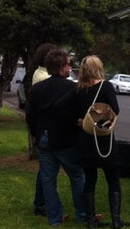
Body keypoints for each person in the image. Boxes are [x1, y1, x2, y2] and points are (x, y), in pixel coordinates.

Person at [25, 47, 86, 226]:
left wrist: (36, 133)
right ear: (61, 67)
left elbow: (30, 115)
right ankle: (82, 214)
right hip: (65, 139)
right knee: (76, 174)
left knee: (48, 178)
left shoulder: (37, 89)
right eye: (69, 64)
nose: (70, 68)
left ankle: (54, 217)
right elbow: (79, 114)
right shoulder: (73, 88)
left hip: (43, 137)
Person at [74, 55, 128, 228]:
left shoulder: (79, 89)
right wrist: (97, 117)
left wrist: (86, 120)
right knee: (112, 179)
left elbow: (75, 114)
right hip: (104, 140)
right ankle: (116, 220)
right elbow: (115, 110)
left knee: (89, 180)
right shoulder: (106, 87)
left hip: (86, 138)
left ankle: (91, 220)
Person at [31, 43, 57, 217]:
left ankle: (42, 202)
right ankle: (41, 203)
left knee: (46, 169)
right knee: (47, 170)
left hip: (44, 128)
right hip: (48, 129)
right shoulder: (43, 77)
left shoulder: (40, 73)